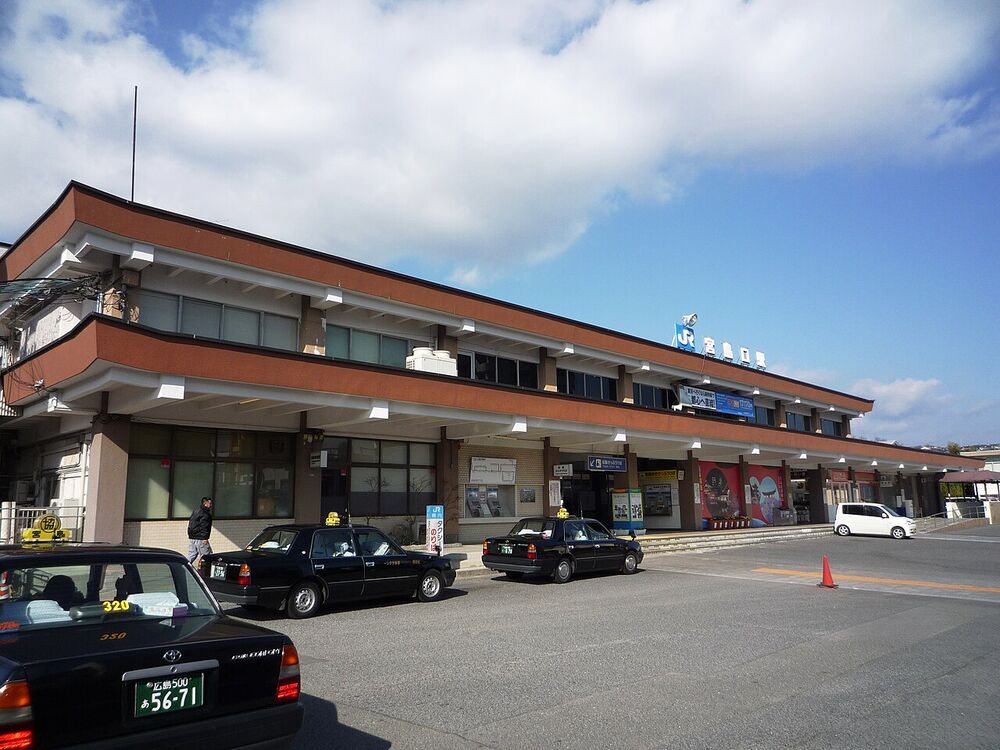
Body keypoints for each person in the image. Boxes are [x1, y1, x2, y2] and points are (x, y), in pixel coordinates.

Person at [186, 496, 214, 566]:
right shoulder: (206, 514)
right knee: (207, 556)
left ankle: (185, 566)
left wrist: (190, 535)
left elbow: (190, 524)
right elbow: (205, 526)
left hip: (192, 537)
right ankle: (206, 570)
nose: (211, 505)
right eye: (210, 503)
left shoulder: (195, 512)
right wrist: (205, 538)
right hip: (201, 538)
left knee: (191, 554)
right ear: (205, 503)